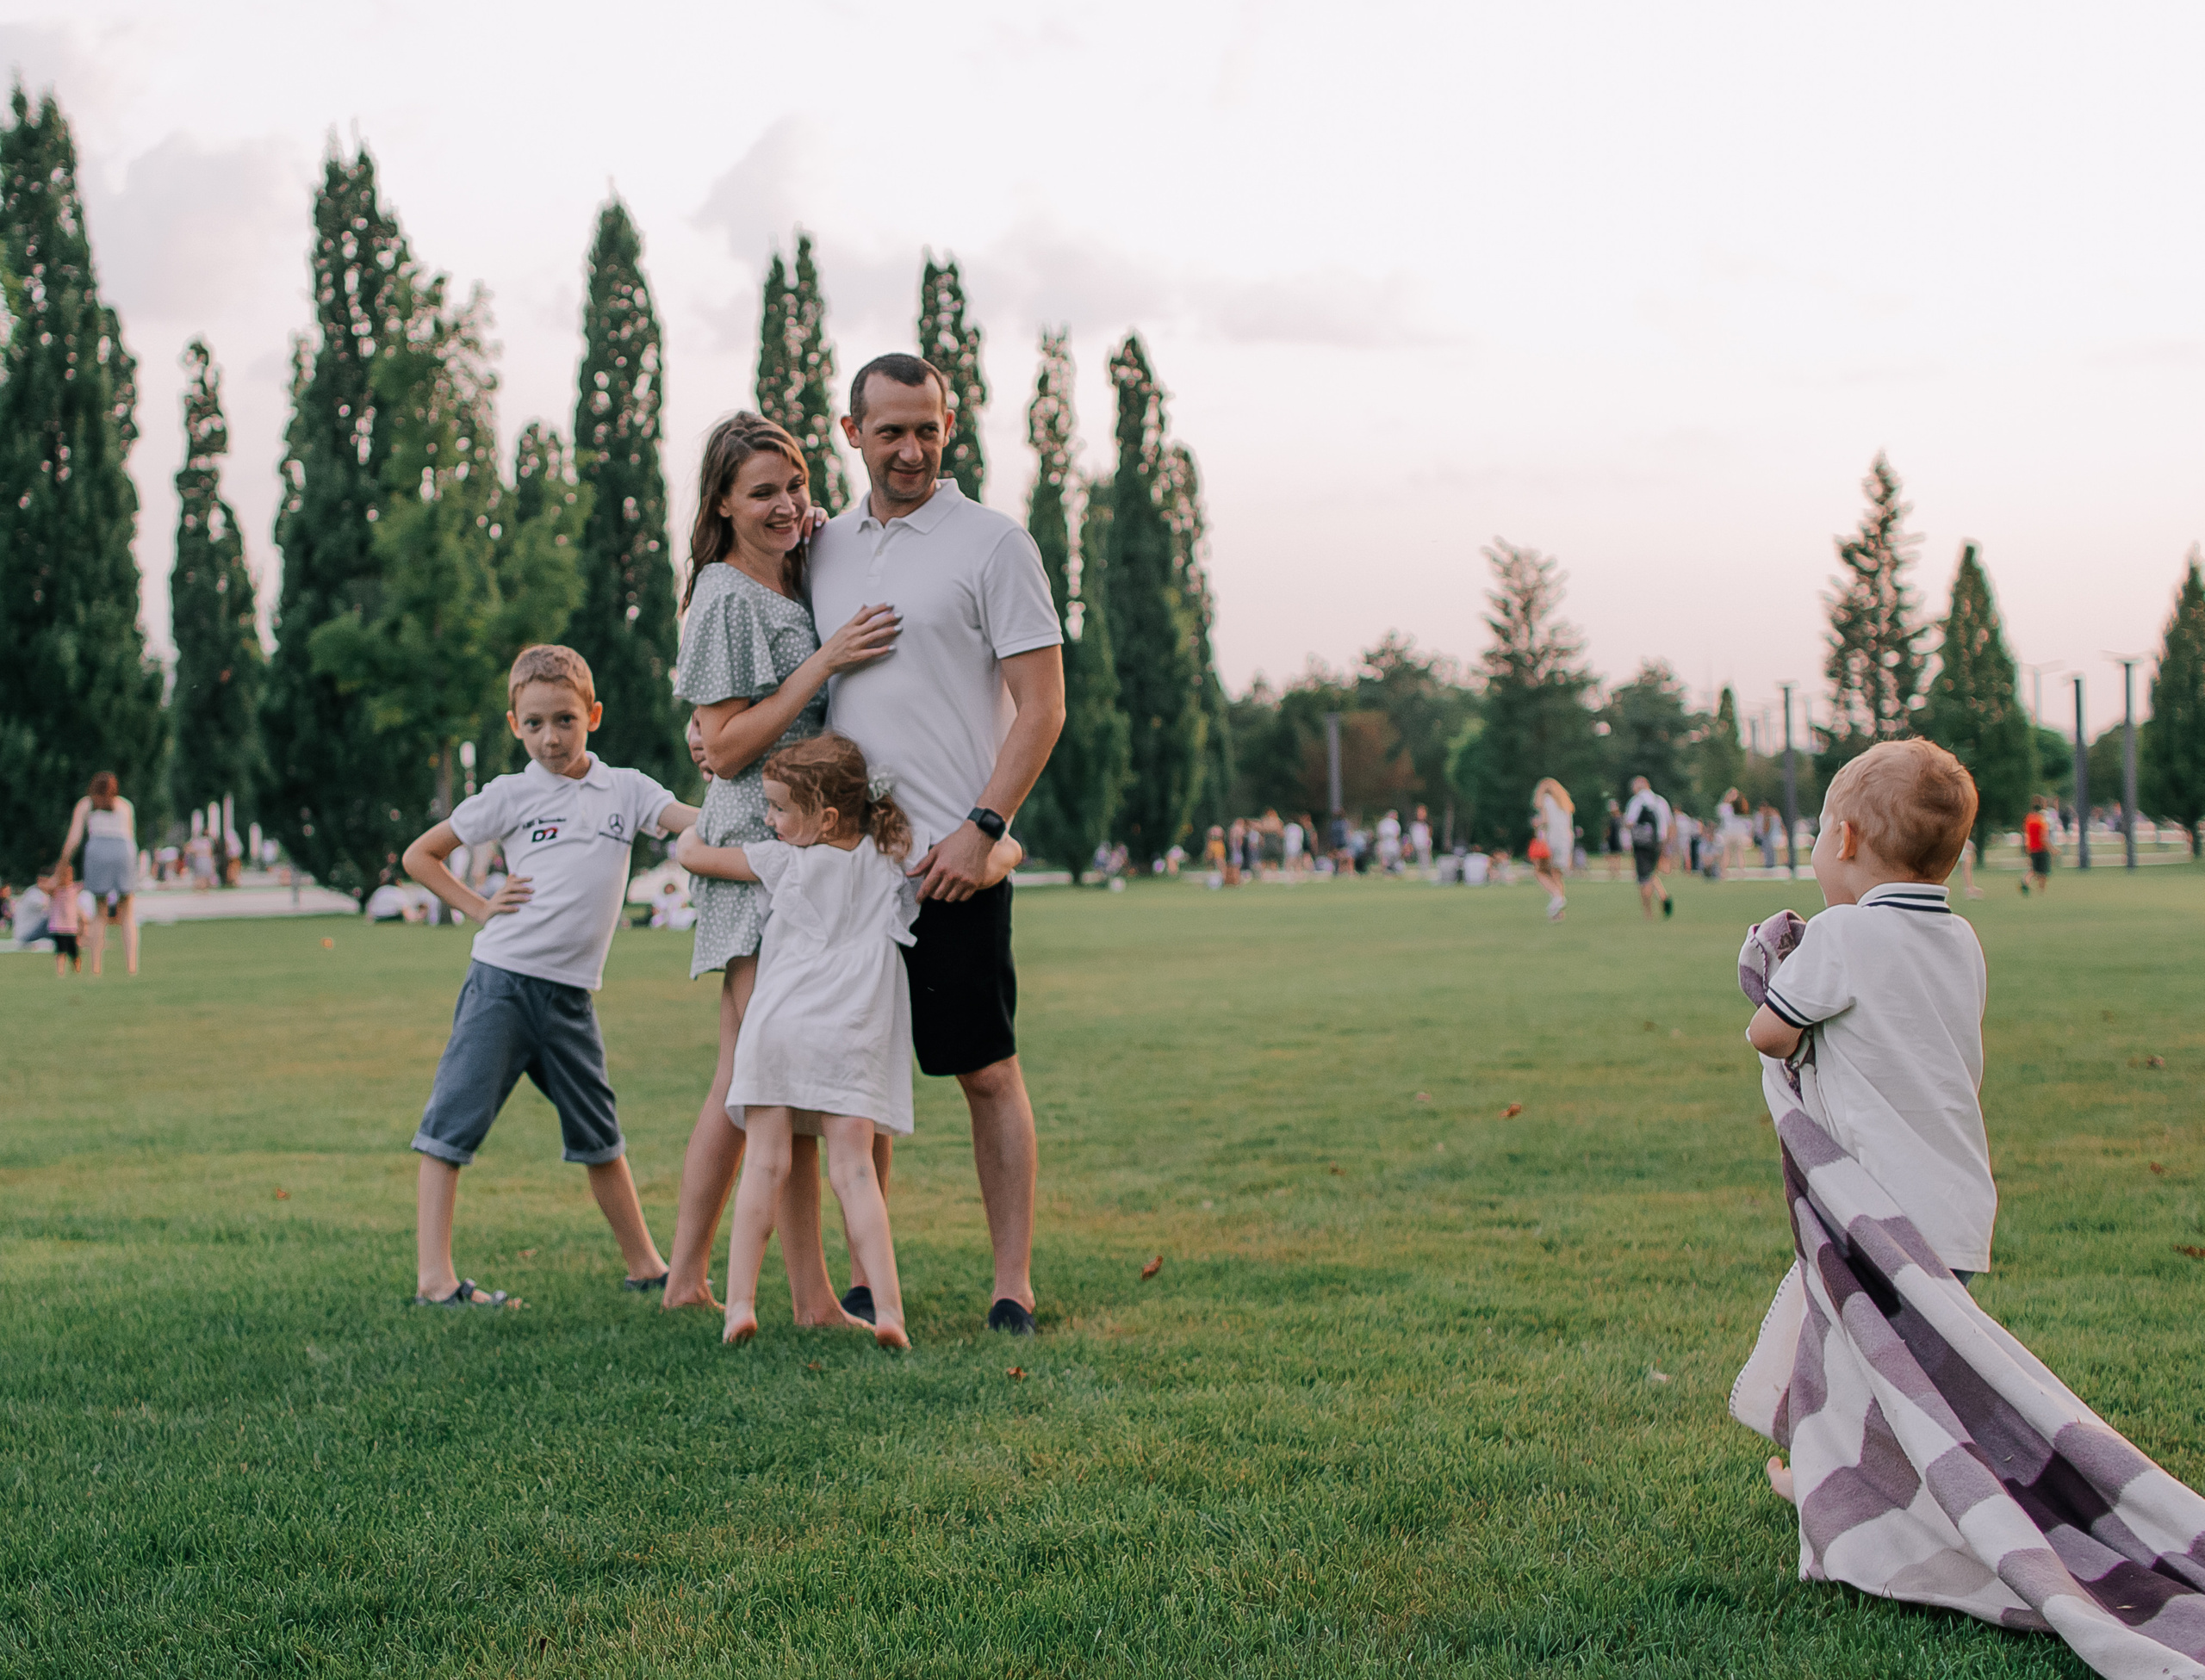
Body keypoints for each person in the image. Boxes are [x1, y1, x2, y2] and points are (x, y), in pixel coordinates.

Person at [806, 352, 1066, 1336]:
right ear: (852, 434)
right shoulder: (823, 551)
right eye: (889, 431)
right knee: (859, 1084)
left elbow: (1042, 709)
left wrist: (984, 829)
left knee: (986, 1067)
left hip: (951, 863)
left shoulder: (993, 544)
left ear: (948, 428)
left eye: (926, 428)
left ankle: (1012, 1286)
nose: (909, 449)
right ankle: (872, 1281)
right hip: (847, 869)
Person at [656, 413, 902, 1320]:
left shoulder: (793, 572)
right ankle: (708, 1280)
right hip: (758, 847)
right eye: (762, 491)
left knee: (762, 1073)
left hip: (799, 840)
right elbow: (721, 747)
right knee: (758, 1077)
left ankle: (776, 1290)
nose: (786, 505)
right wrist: (826, 662)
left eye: (795, 486)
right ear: (721, 503)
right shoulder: (725, 594)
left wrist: (820, 532)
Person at [677, 735, 1018, 1351]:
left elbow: (697, 856)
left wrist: (686, 832)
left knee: (765, 1163)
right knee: (856, 1172)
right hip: (851, 1038)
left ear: (824, 817)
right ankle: (889, 1310)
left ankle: (742, 1305)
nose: (769, 819)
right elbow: (1000, 852)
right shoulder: (892, 862)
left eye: (779, 808)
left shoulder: (784, 861)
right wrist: (1001, 845)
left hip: (779, 1029)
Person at [399, 644, 696, 1308]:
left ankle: (649, 1266)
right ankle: (435, 1281)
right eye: (533, 724)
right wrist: (479, 906)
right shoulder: (510, 793)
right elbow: (421, 855)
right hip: (502, 984)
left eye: (564, 719)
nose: (550, 737)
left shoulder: (628, 789)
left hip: (570, 999)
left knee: (600, 1136)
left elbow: (690, 824)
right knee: (449, 1128)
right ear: (513, 724)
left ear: (591, 713)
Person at [59, 772, 140, 976]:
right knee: (127, 911)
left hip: (97, 851)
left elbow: (74, 838)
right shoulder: (125, 806)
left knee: (100, 912)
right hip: (124, 851)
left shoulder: (86, 805)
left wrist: (62, 864)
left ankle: (96, 968)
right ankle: (131, 967)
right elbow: (131, 837)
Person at [1621, 775, 1674, 920]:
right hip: (1658, 842)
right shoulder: (1660, 801)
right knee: (1651, 873)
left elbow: (1630, 822)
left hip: (1642, 844)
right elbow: (1669, 823)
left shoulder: (1637, 801)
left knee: (1643, 878)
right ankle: (1663, 896)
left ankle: (1648, 913)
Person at [1530, 778, 1574, 920]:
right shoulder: (1565, 805)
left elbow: (1545, 821)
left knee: (1540, 872)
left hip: (1549, 841)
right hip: (1565, 842)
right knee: (1556, 875)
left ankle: (1557, 897)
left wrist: (1536, 824)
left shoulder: (1546, 801)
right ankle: (1557, 912)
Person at [40, 860, 81, 976]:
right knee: (60, 951)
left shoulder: (74, 889)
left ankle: (77, 970)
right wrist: (56, 880)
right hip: (58, 926)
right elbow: (42, 885)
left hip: (71, 927)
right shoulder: (55, 890)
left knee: (74, 952)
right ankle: (60, 972)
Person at [2021, 795, 2053, 896]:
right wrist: (2051, 849)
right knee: (2043, 871)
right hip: (2042, 849)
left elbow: (2026, 834)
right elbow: (2044, 837)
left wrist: (2027, 847)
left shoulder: (2029, 818)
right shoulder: (2041, 820)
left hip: (2032, 848)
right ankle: (2041, 891)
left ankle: (2025, 881)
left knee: (2033, 870)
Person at [1409, 805, 1432, 870]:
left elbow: (1428, 836)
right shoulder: (1414, 825)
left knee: (1425, 860)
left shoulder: (1426, 825)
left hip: (1424, 845)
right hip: (1417, 845)